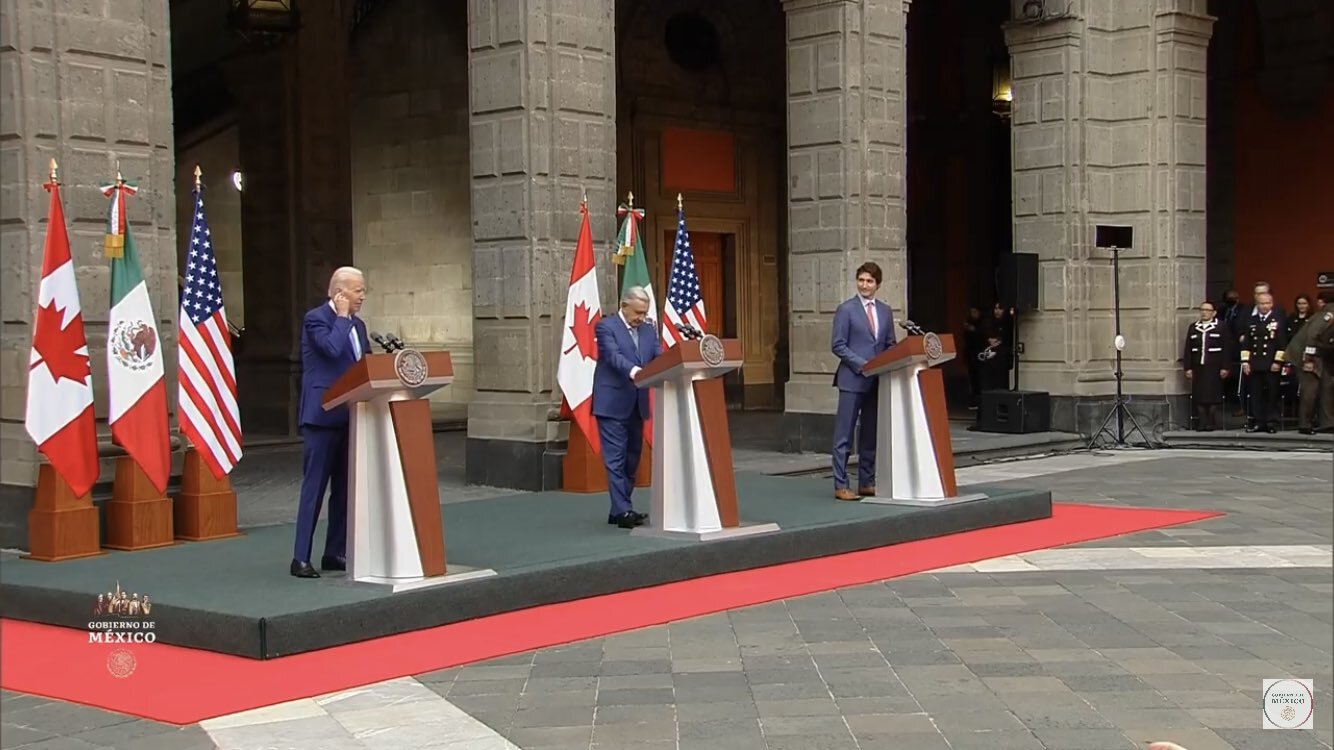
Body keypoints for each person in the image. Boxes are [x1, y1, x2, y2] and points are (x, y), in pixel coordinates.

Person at [291, 267, 370, 578]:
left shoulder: (360, 326)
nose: (362, 296)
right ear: (338, 293)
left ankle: (334, 552)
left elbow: (365, 366)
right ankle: (300, 558)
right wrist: (340, 316)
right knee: (315, 489)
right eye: (357, 290)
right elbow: (331, 349)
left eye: (364, 290)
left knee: (344, 491)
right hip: (322, 418)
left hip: (352, 416)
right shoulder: (317, 319)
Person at [593, 287, 660, 528]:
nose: (641, 317)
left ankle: (619, 507)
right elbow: (612, 357)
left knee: (632, 458)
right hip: (611, 404)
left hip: (638, 403)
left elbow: (659, 357)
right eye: (638, 312)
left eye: (644, 313)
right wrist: (635, 372)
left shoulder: (649, 330)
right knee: (616, 459)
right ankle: (623, 512)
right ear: (624, 306)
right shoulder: (606, 327)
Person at [830, 262, 896, 501]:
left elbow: (890, 344)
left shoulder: (885, 311)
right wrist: (862, 364)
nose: (865, 285)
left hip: (877, 380)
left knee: (870, 434)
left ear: (878, 284)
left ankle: (866, 482)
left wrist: (890, 361)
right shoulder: (846, 309)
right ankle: (841, 484)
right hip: (852, 379)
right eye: (861, 280)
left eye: (869, 281)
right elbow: (838, 345)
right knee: (844, 434)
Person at [1285, 290, 1334, 434]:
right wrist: (1308, 360)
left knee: (1327, 386)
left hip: (1319, 356)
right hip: (1304, 355)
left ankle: (1328, 423)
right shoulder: (1328, 315)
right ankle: (1305, 424)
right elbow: (1311, 337)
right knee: (1310, 389)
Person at [1239, 291, 1287, 434]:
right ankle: (1258, 422)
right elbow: (1246, 344)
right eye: (1261, 303)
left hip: (1271, 364)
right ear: (1257, 304)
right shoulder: (1251, 321)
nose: (1264, 306)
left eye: (1267, 303)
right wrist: (1245, 362)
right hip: (1255, 364)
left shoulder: (1277, 321)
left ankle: (1271, 422)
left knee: (1272, 394)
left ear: (1271, 304)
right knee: (1255, 394)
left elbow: (1282, 344)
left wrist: (1278, 362)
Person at [1182, 300, 1233, 431]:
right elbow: (1188, 349)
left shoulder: (1221, 327)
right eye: (1202, 310)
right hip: (1199, 367)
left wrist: (1225, 366)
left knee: (1212, 395)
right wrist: (1187, 368)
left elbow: (1227, 348)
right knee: (1199, 395)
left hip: (1214, 367)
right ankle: (1202, 422)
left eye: (1207, 310)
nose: (1204, 312)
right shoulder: (1193, 327)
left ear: (1214, 313)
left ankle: (1211, 422)